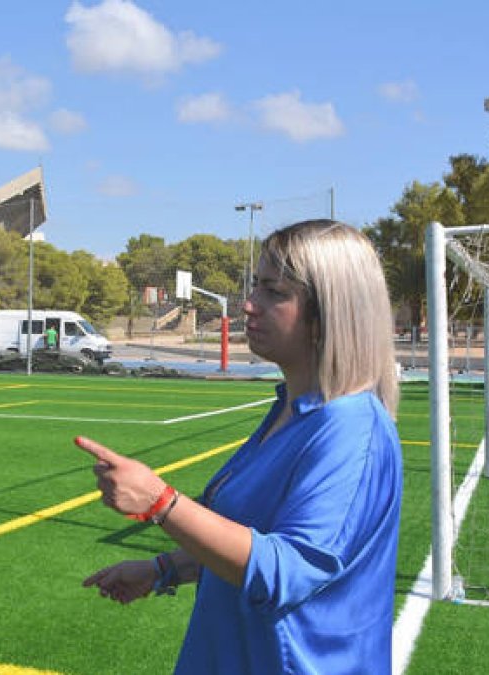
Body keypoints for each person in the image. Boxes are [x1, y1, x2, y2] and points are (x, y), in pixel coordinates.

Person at [78, 220, 402, 675]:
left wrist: (160, 503)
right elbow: (249, 537)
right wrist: (164, 569)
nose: (250, 305)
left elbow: (286, 571)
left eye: (274, 291)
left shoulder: (350, 429)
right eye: (255, 287)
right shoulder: (292, 411)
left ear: (328, 312)